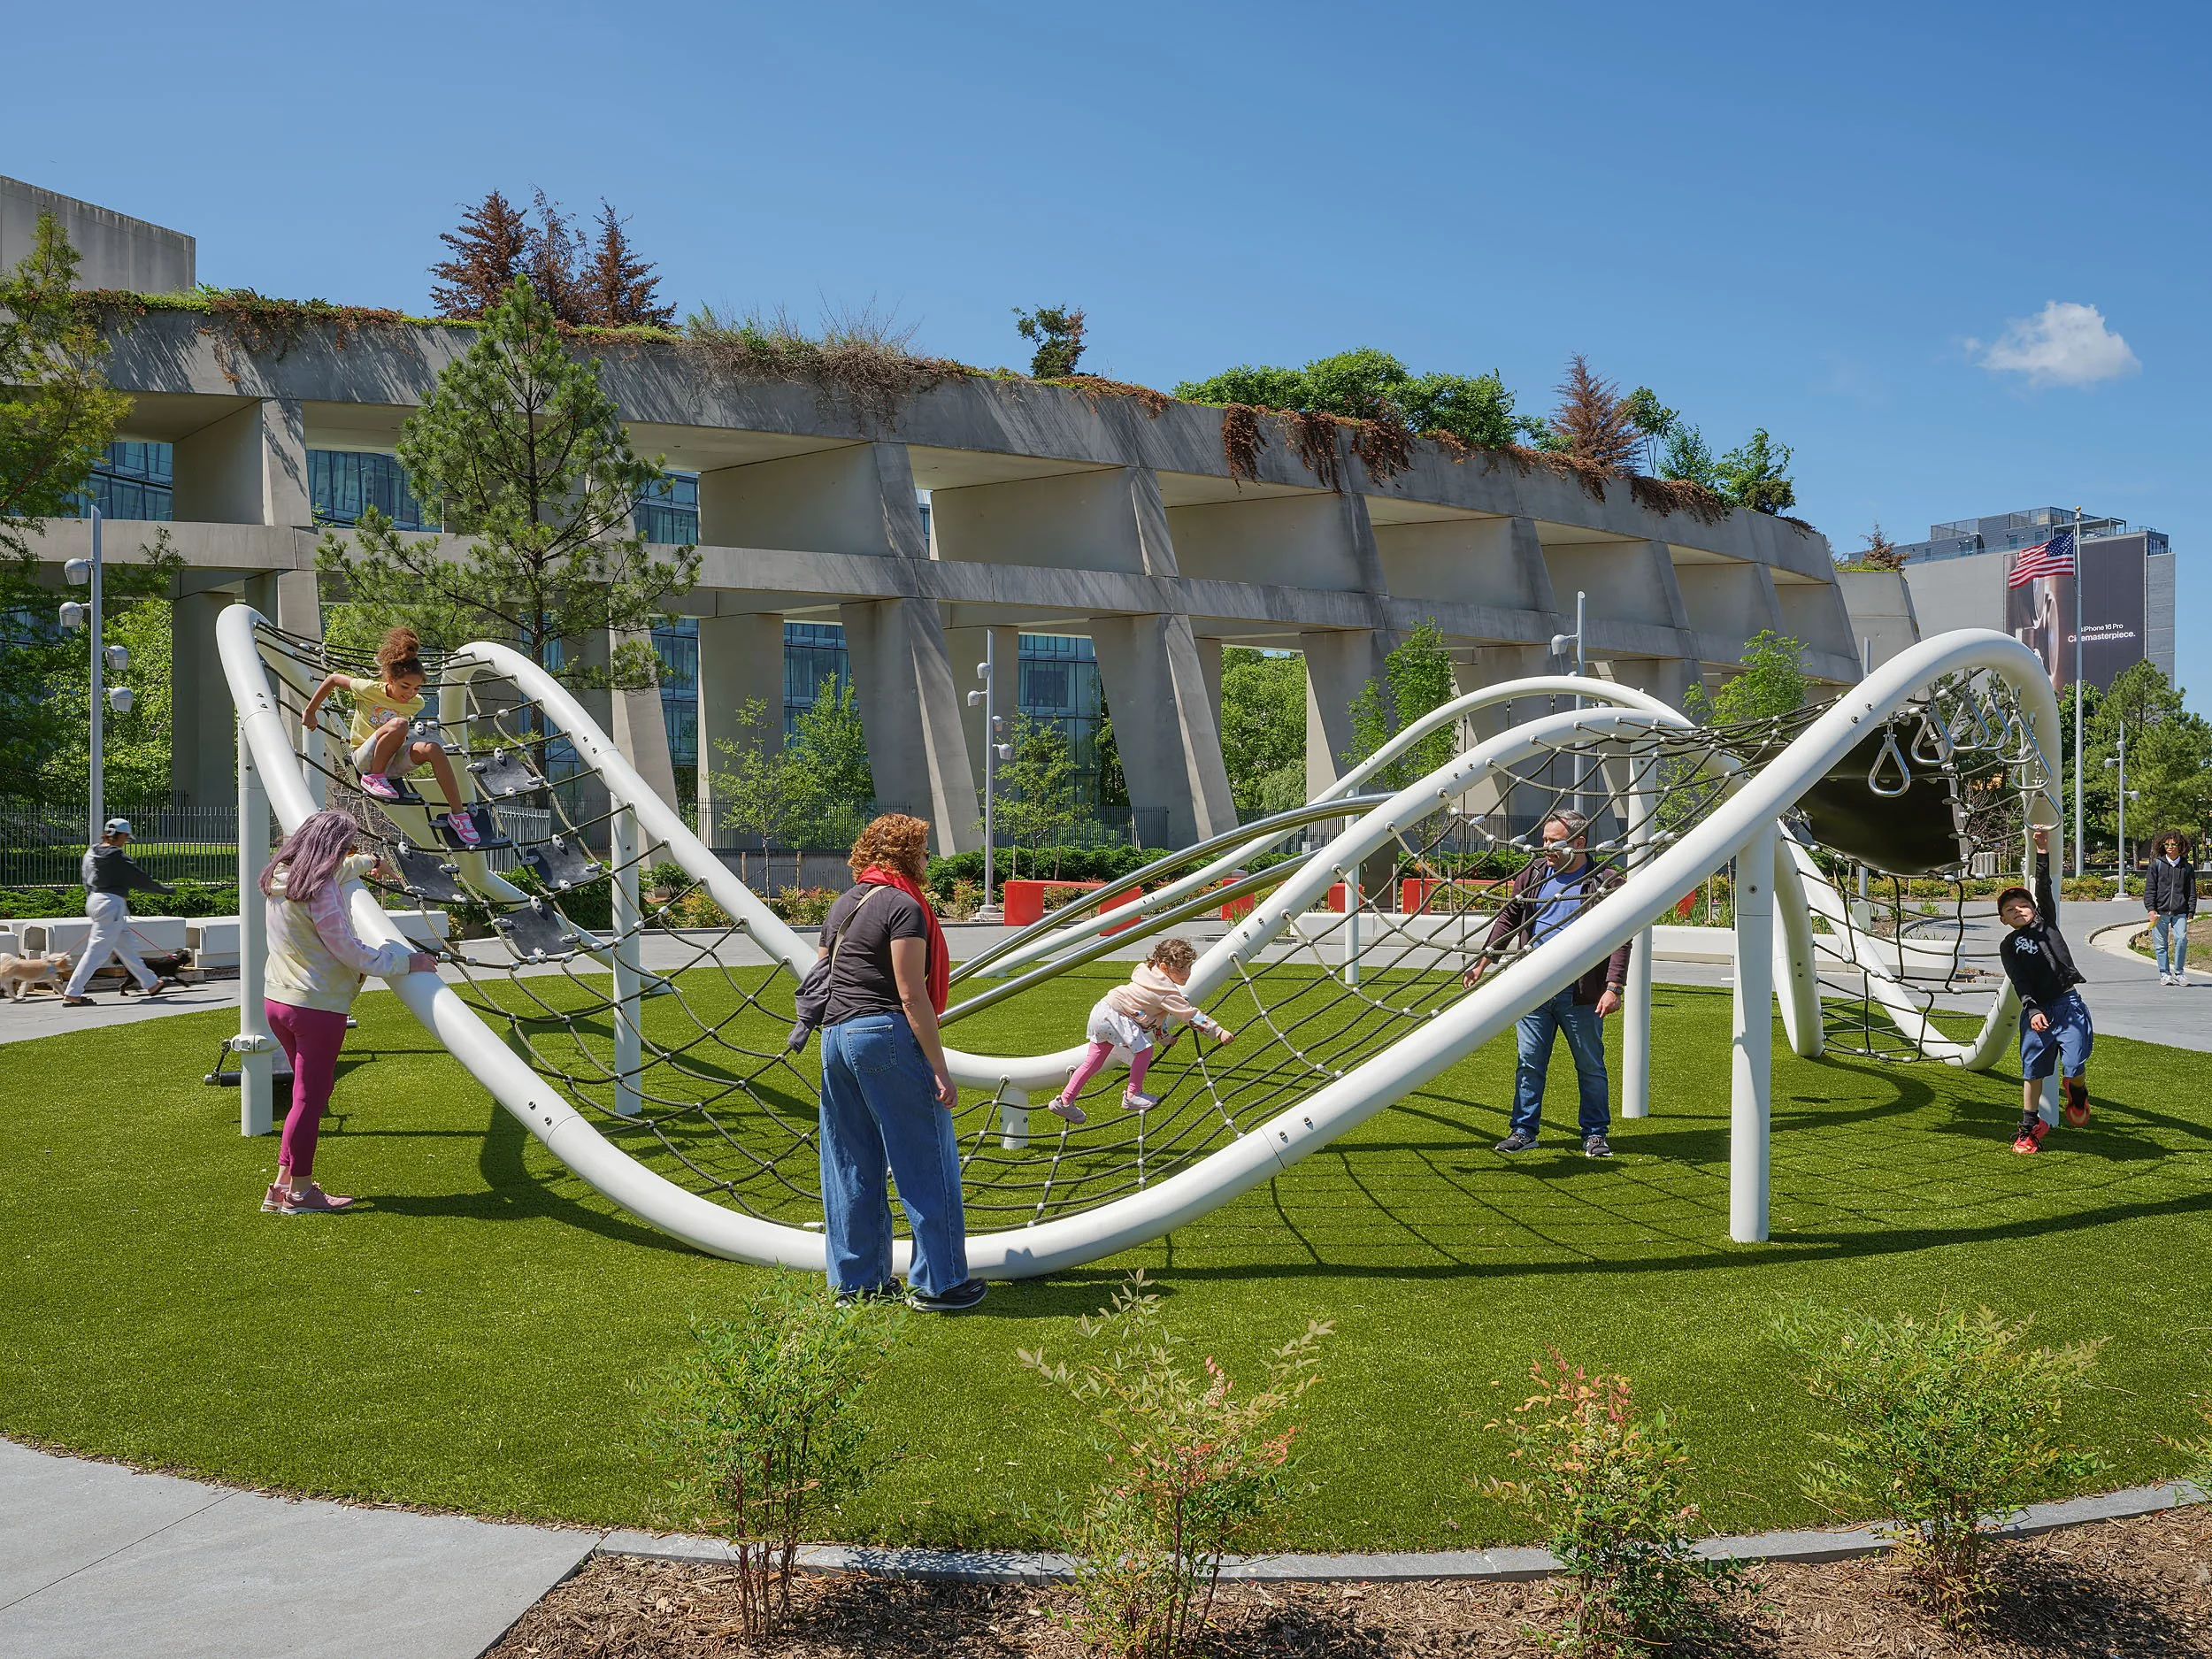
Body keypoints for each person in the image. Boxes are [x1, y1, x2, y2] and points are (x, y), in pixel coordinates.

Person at [812, 813, 985, 1313]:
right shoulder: (902, 905)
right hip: (882, 1033)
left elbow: (821, 974)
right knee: (924, 1158)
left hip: (835, 1037)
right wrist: (939, 1067)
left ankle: (857, 1282)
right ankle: (941, 1282)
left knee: (849, 1161)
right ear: (907, 854)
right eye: (925, 852)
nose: (929, 861)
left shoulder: (844, 905)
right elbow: (911, 995)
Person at [259, 810, 441, 1214]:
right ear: (333, 847)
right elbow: (347, 950)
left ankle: (281, 1186)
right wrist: (406, 962)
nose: (348, 852)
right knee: (310, 1098)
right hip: (316, 1007)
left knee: (309, 1094)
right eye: (347, 846)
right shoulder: (319, 889)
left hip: (278, 1001)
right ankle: (302, 1194)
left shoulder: (282, 878)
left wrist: (372, 863)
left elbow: (337, 872)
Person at [1462, 810, 1631, 1158]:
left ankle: (1595, 1135)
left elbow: (1621, 936)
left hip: (1580, 991)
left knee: (1590, 1065)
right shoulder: (1534, 873)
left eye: (1553, 841)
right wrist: (1484, 961)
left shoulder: (1605, 880)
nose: (1546, 847)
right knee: (1529, 1062)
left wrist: (1613, 986)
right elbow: (1509, 915)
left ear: (1579, 843)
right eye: (1544, 841)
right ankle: (1523, 1131)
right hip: (1534, 986)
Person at [300, 626, 480, 849]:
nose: (410, 693)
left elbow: (400, 735)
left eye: (416, 688)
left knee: (433, 748)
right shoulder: (369, 688)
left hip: (391, 763)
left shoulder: (416, 703)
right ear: (390, 679)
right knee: (400, 723)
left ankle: (458, 815)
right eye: (405, 686)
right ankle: (374, 777)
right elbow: (334, 679)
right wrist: (310, 711)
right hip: (364, 759)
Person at [1050, 937, 1236, 1122]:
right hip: (1116, 1015)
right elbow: (1189, 1015)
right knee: (1146, 1050)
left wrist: (1165, 1038)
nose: (1186, 973)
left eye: (1188, 966)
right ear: (1164, 967)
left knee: (1093, 1063)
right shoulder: (1164, 990)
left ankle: (1064, 1101)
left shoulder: (1149, 975)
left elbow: (1155, 1016)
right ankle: (1132, 1095)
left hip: (1103, 1011)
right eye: (1180, 968)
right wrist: (1218, 1031)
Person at [1996, 826, 2092, 1154]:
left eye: (2022, 904)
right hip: (2038, 1011)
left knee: (2075, 1065)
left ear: (2034, 909)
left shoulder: (2046, 922)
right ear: (2004, 920)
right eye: (2010, 910)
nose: (2017, 910)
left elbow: (2044, 884)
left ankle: (2077, 1093)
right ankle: (2029, 1126)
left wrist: (2042, 849)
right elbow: (2020, 981)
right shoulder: (2008, 946)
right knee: (2033, 1070)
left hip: (2068, 1005)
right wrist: (2032, 1009)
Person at [60, 818, 174, 1006]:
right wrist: (162, 890)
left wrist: (94, 899)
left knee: (126, 946)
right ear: (119, 835)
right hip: (110, 904)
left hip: (95, 899)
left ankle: (151, 983)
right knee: (97, 952)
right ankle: (73, 992)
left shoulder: (92, 851)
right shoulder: (117, 856)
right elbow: (139, 878)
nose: (125, 841)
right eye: (125, 837)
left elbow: (86, 876)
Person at [2142, 830, 2197, 987]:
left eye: (2174, 844)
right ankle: (2164, 974)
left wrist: (2191, 910)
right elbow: (2150, 889)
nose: (2170, 847)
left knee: (2181, 939)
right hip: (2160, 912)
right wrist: (2151, 909)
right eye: (2167, 844)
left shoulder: (2186, 867)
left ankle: (2179, 973)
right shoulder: (2157, 865)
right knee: (2160, 946)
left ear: (2181, 846)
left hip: (2180, 911)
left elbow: (2191, 890)